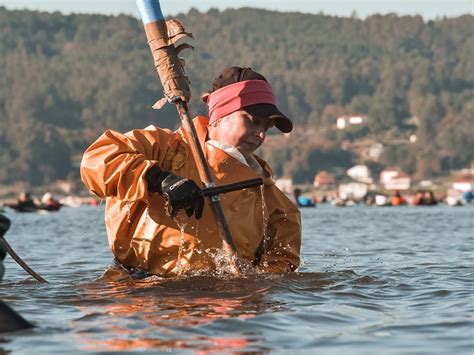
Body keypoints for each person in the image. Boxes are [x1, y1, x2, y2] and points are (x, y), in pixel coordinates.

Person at [81, 66, 301, 278]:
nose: (260, 134)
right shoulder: (164, 148)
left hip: (228, 303)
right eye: (252, 121)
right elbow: (97, 159)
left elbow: (282, 260)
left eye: (266, 127)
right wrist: (159, 179)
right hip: (139, 296)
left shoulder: (265, 191)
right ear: (220, 115)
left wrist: (252, 280)